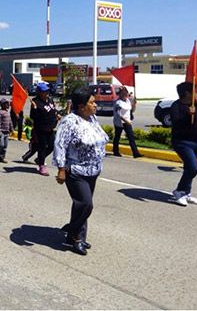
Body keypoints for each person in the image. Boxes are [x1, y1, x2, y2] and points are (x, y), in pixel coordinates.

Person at [53, 86, 109, 256]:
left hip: (93, 171)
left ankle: (78, 236)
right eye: (92, 102)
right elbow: (60, 145)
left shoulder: (93, 119)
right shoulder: (69, 121)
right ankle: (74, 234)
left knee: (80, 206)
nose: (95, 105)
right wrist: (61, 169)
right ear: (81, 106)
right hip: (75, 170)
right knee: (85, 204)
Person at [169, 82, 197, 206]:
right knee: (193, 168)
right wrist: (188, 115)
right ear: (186, 93)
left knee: (188, 169)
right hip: (183, 142)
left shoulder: (195, 105)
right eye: (194, 91)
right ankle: (178, 191)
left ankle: (186, 192)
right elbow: (177, 122)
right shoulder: (176, 106)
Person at [30, 82, 59, 176]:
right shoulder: (36, 102)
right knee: (42, 148)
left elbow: (53, 110)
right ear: (39, 92)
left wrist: (56, 114)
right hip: (41, 128)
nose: (46, 92)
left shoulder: (50, 100)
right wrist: (34, 108)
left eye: (46, 90)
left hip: (51, 127)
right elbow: (33, 116)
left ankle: (39, 159)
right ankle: (42, 165)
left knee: (52, 146)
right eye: (44, 91)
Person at [112, 87, 143, 158]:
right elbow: (118, 114)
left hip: (127, 121)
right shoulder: (118, 102)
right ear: (120, 94)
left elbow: (132, 110)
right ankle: (115, 151)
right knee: (117, 136)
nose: (125, 94)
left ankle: (136, 153)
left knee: (131, 137)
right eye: (123, 93)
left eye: (126, 92)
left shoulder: (128, 101)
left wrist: (134, 104)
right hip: (119, 122)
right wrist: (126, 121)